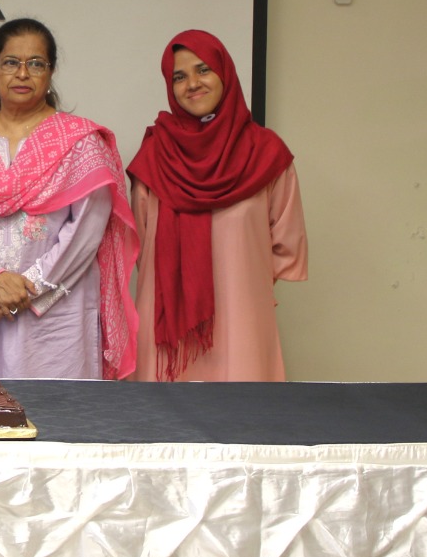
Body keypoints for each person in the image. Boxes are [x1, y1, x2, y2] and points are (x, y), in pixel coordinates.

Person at [0, 18, 138, 380]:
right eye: (11, 62)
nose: (22, 73)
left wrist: (26, 289)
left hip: (54, 316)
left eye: (36, 63)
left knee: (56, 409)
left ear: (51, 71)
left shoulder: (81, 143)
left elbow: (86, 231)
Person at [127, 29, 307, 381]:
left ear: (225, 72)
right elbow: (140, 245)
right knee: (166, 414)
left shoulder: (266, 153)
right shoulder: (155, 155)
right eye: (179, 77)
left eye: (203, 70)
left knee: (241, 412)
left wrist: (241, 283)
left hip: (243, 321)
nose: (192, 84)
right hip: (168, 332)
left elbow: (287, 243)